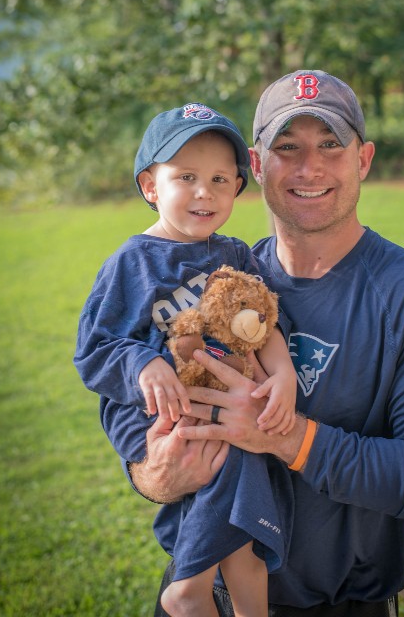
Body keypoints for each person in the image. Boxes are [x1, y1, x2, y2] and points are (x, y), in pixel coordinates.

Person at [101, 70, 404, 617]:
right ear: (256, 166)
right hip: (204, 593)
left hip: (342, 604)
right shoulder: (215, 281)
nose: (310, 167)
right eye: (287, 147)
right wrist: (152, 469)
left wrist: (289, 438)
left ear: (363, 159)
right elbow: (126, 386)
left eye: (331, 144)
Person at [74, 103, 297, 617]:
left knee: (245, 529)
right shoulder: (132, 262)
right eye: (186, 177)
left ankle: (219, 597)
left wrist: (283, 373)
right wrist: (142, 363)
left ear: (237, 188)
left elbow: (261, 323)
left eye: (220, 179)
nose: (205, 192)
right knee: (232, 472)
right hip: (155, 410)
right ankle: (190, 587)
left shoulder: (235, 255)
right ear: (150, 186)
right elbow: (94, 349)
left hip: (220, 402)